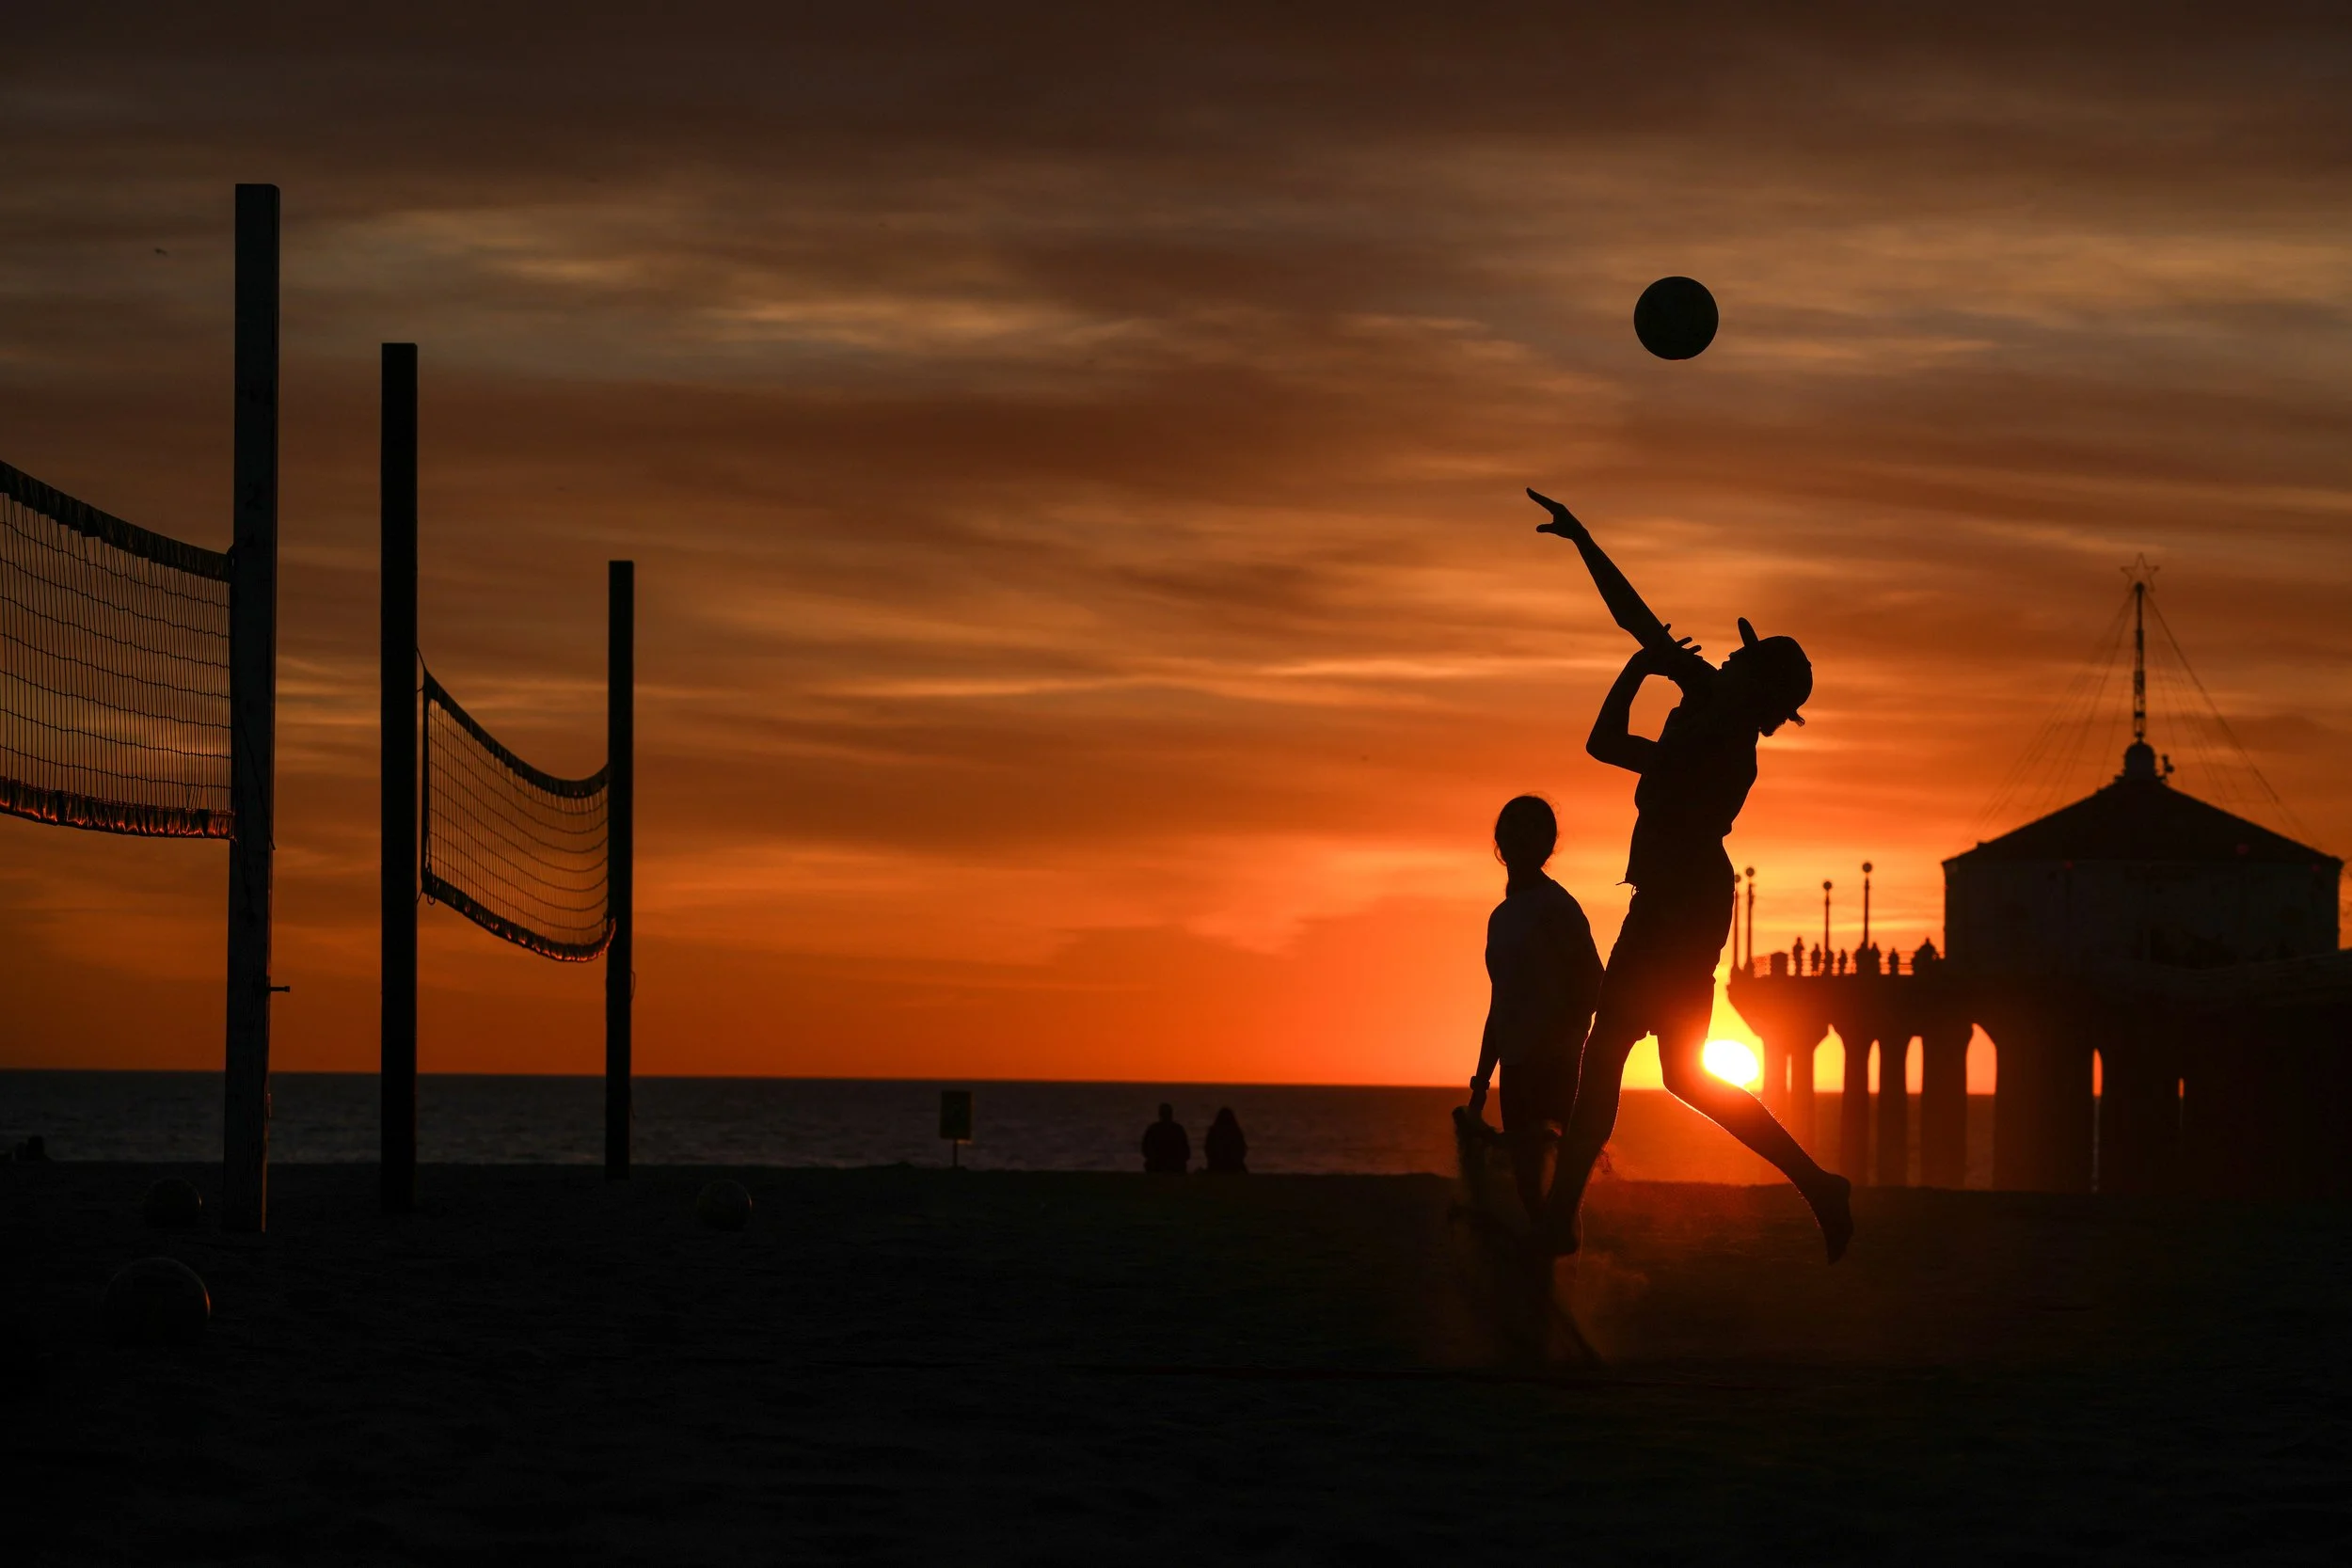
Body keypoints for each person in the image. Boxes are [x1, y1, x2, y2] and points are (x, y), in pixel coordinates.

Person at [1527, 488, 1853, 1263]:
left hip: (1683, 903)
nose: (1727, 654)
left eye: (1742, 656)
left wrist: (1640, 667)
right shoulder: (1712, 699)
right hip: (1681, 896)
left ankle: (1558, 1221)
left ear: (1756, 690)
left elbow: (1608, 744)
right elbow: (1636, 620)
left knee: (1609, 1053)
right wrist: (1582, 539)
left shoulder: (1723, 746)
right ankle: (1819, 1185)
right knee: (1681, 1075)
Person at [1465, 795, 1603, 1224]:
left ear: (1546, 844)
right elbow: (1500, 1002)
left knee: (1556, 1183)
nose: (1518, 843)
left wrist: (1568, 1046)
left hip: (1555, 1065)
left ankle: (1562, 1273)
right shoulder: (1501, 918)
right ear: (1500, 843)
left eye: (1529, 834)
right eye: (1511, 834)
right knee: (1528, 1184)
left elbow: (1594, 983)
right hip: (1516, 1067)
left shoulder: (1557, 908)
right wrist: (1482, 1079)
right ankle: (1542, 1277)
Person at [1141, 1103, 1190, 1173]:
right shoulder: (1178, 1129)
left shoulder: (1153, 1129)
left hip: (1162, 1166)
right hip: (1167, 1166)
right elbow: (1186, 1152)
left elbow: (1145, 1149)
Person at [1203, 1107, 1248, 1174]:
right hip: (1234, 1167)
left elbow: (1208, 1150)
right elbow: (1242, 1151)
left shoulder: (1213, 1133)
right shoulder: (1236, 1133)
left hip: (1215, 1167)